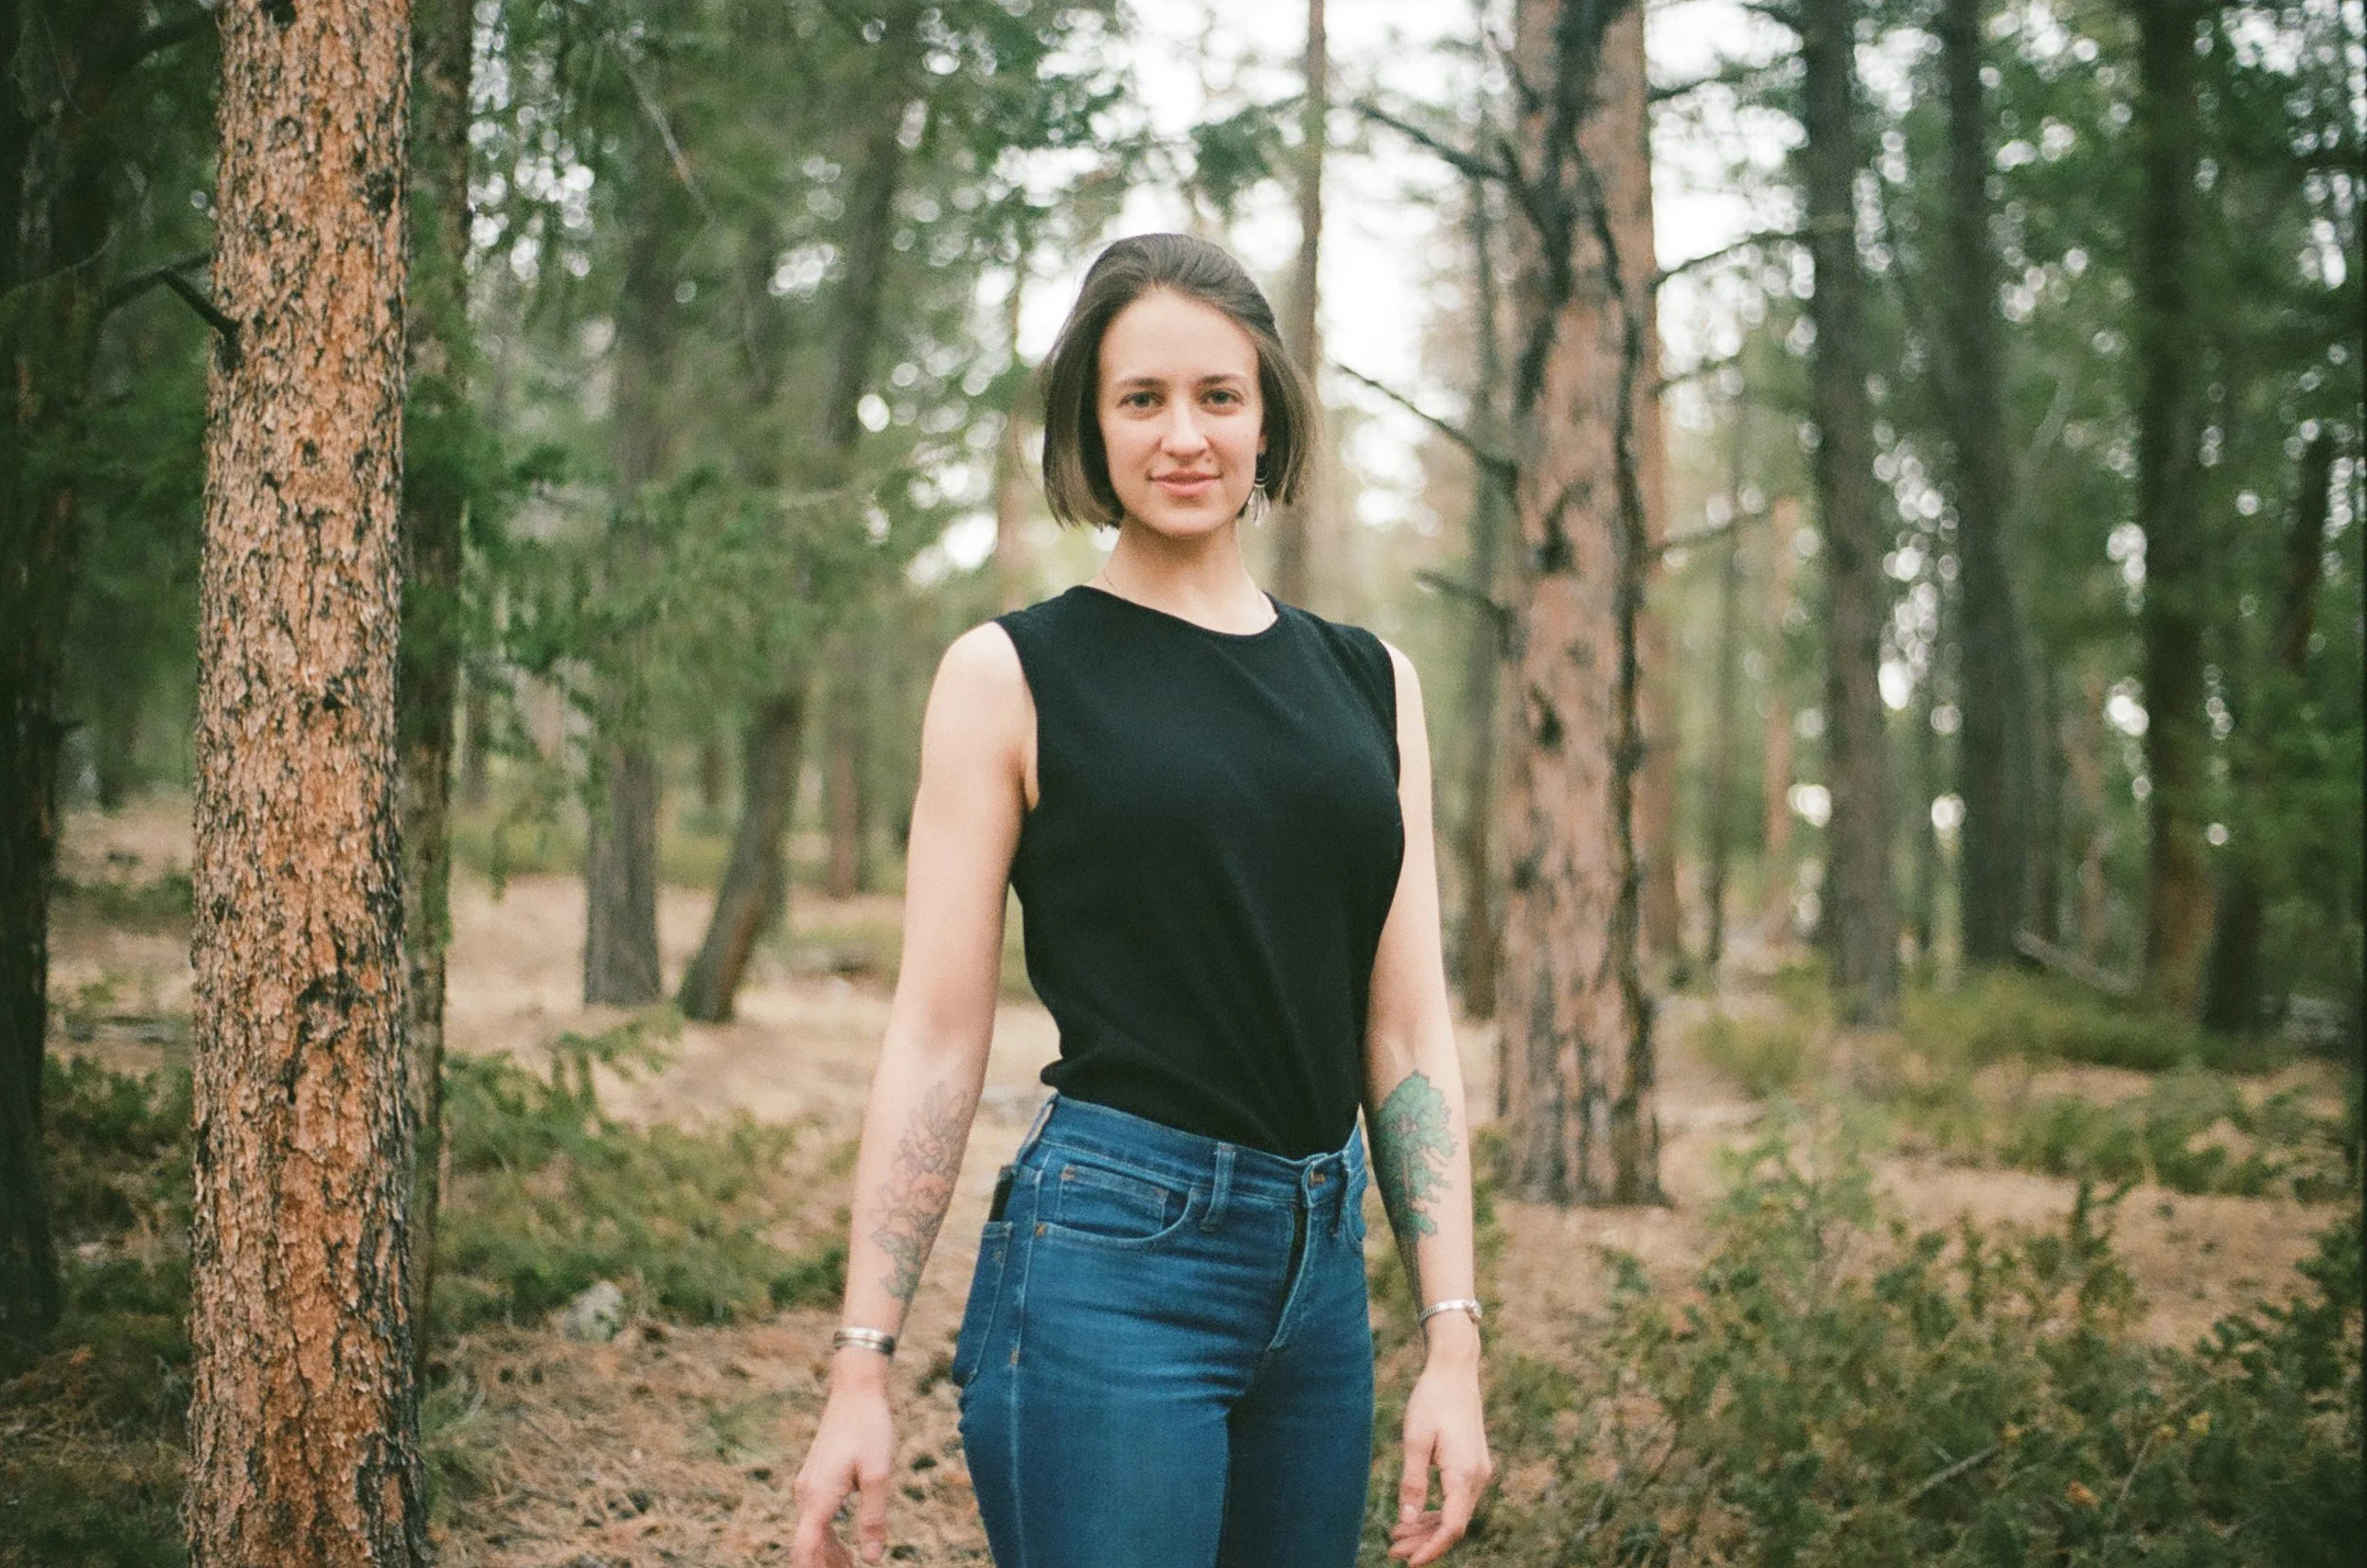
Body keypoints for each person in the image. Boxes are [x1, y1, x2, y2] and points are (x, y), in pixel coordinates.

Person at [790, 232, 1492, 1568]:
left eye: (1219, 395)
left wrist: (1451, 1341)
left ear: (1269, 417)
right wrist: (862, 1363)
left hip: (1320, 1285)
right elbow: (936, 1036)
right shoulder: (1010, 675)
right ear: (1091, 425)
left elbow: (1406, 1034)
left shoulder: (1370, 683)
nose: (1184, 435)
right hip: (1111, 1269)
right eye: (1141, 398)